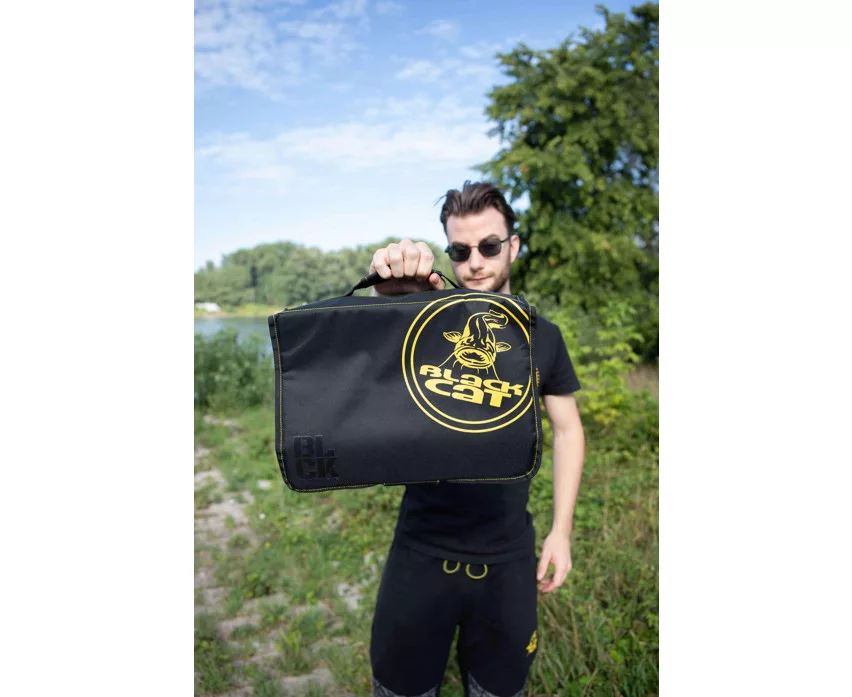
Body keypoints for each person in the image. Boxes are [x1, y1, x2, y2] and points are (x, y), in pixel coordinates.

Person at [368, 181, 585, 697]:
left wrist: (561, 532)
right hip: (420, 551)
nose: (475, 263)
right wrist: (388, 277)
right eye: (460, 251)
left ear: (513, 246)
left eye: (489, 246)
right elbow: (386, 309)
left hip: (508, 558)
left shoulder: (544, 336)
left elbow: (568, 428)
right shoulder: (425, 322)